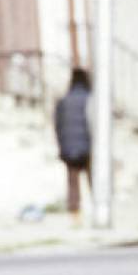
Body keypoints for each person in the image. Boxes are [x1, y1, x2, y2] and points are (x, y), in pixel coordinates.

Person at [54, 68, 92, 225]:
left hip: (69, 146)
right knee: (93, 179)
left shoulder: (64, 101)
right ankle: (96, 207)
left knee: (72, 182)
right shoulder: (90, 99)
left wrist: (61, 145)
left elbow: (57, 125)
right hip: (88, 146)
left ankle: (75, 214)